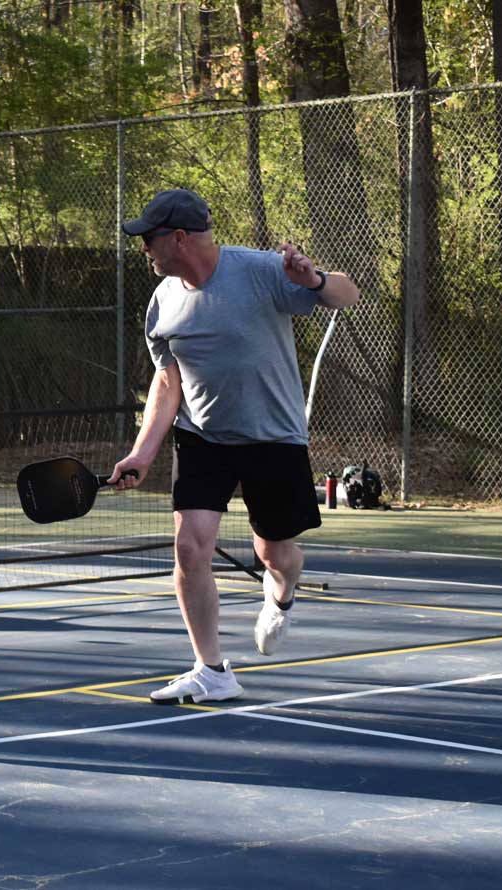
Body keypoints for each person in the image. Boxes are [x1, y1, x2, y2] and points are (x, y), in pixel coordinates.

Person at [110, 189, 361, 704]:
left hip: (274, 436)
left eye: (149, 239)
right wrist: (142, 453)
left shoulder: (264, 271)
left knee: (275, 552)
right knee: (189, 547)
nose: (144, 249)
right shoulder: (163, 302)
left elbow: (346, 294)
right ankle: (211, 669)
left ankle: (283, 591)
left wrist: (311, 279)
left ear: (179, 238)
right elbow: (166, 382)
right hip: (203, 438)